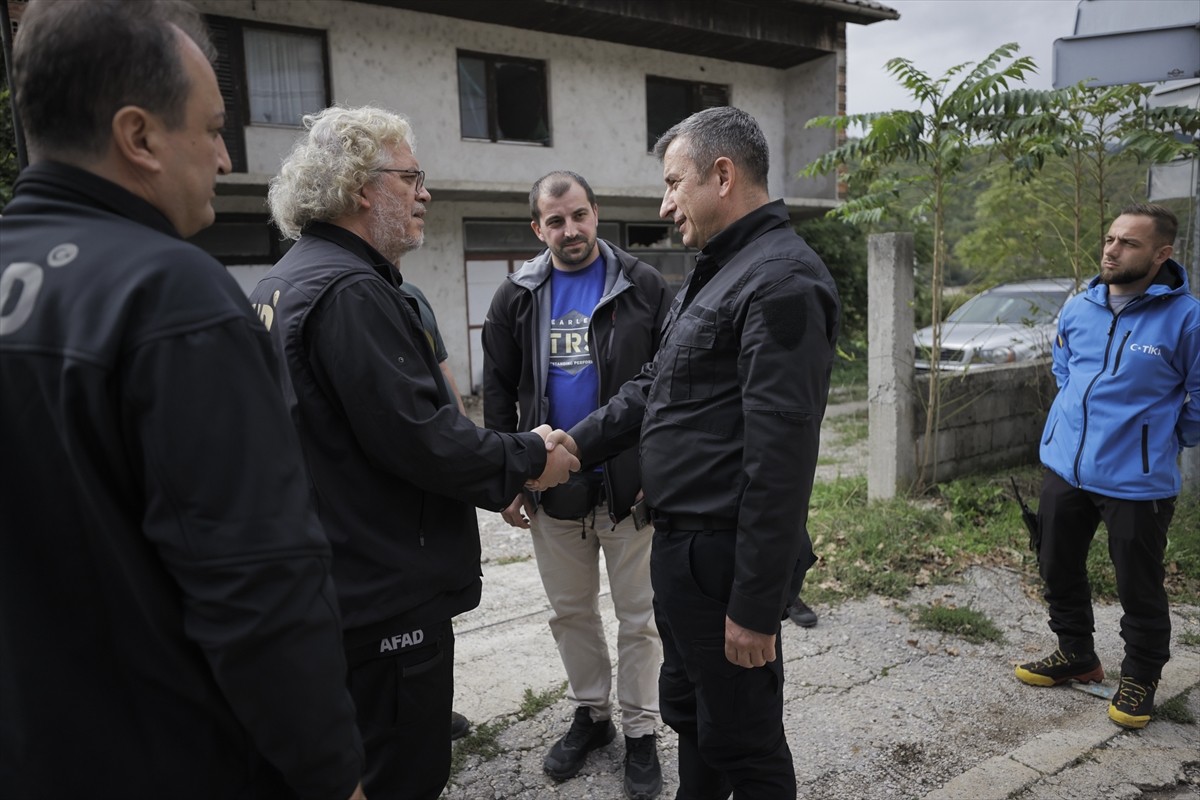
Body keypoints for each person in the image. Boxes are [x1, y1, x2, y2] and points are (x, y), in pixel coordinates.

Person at [0, 2, 365, 798]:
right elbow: (259, 587)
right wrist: (333, 774)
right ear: (139, 137)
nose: (226, 158)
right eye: (211, 127)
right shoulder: (170, 295)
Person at [248, 105, 578, 799]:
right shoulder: (349, 291)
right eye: (411, 176)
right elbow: (423, 439)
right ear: (361, 187)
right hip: (383, 593)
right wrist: (529, 455)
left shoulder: (283, 281)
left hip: (331, 575)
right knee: (403, 771)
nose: (425, 192)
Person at [548, 107, 840, 798]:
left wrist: (755, 603)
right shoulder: (716, 271)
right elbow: (655, 390)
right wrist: (569, 446)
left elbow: (782, 457)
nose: (665, 202)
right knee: (690, 714)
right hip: (678, 549)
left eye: (674, 183)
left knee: (746, 740)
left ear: (723, 174)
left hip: (724, 558)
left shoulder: (782, 281)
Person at [482, 171, 671, 797]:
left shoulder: (642, 286)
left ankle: (642, 733)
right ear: (538, 229)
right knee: (571, 614)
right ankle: (593, 715)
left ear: (597, 214)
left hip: (627, 489)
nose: (571, 231)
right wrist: (509, 475)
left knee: (640, 618)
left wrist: (652, 470)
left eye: (580, 215)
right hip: (550, 489)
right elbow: (500, 391)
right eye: (556, 221)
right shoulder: (515, 295)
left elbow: (660, 390)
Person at [1015, 203, 1199, 730]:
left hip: (1136, 481)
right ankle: (1076, 654)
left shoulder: (1188, 319)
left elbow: (1199, 396)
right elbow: (1064, 369)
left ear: (1162, 254)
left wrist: (1160, 441)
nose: (1112, 249)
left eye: (1129, 243)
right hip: (1066, 469)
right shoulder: (1079, 307)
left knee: (1138, 585)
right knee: (1055, 565)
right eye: (1110, 238)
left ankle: (1141, 675)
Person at [396, 277, 472, 742]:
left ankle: (432, 708)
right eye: (410, 194)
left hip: (433, 488)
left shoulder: (412, 296)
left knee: (434, 613)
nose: (422, 198)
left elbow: (443, 374)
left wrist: (471, 453)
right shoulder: (350, 297)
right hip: (396, 491)